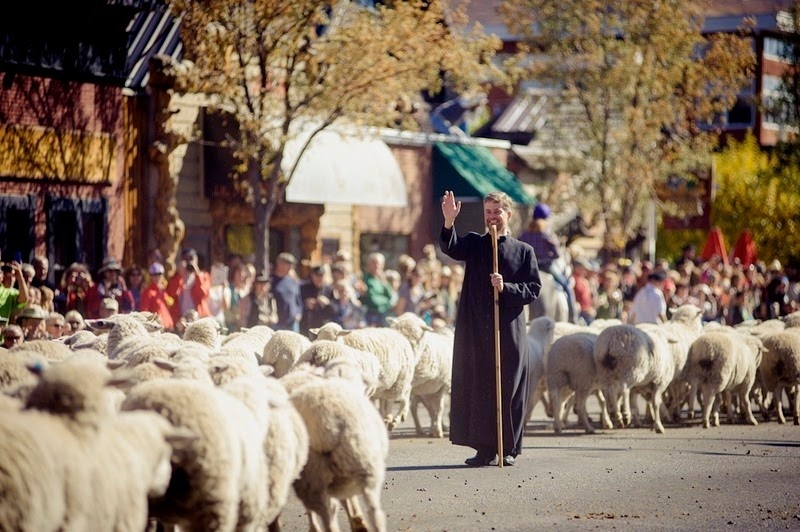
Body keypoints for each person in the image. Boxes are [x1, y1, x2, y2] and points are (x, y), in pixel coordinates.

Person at [440, 190, 542, 467]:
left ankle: (507, 448)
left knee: (508, 387)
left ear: (508, 214)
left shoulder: (523, 251)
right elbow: (451, 248)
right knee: (481, 387)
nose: (492, 217)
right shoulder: (474, 244)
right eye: (488, 212)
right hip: (477, 330)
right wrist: (449, 221)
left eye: (497, 212)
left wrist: (505, 287)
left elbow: (533, 289)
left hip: (508, 330)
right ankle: (484, 449)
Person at [518, 203, 576, 322]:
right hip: (546, 266)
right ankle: (573, 318)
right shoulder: (546, 234)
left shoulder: (524, 234)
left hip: (528, 268)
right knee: (567, 286)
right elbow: (557, 253)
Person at [166, 248, 212, 326]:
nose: (189, 261)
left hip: (198, 317)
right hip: (180, 320)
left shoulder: (204, 276)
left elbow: (203, 295)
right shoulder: (175, 278)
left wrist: (197, 274)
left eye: (191, 258)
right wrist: (179, 275)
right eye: (186, 259)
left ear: (196, 260)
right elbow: (170, 295)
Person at [299, 264, 336, 336]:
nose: (319, 278)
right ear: (312, 275)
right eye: (317, 275)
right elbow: (296, 304)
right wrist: (305, 303)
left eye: (321, 275)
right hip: (307, 325)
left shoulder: (329, 289)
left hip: (323, 326)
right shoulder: (303, 288)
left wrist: (327, 303)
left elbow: (335, 309)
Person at [269, 252, 303, 332]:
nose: (291, 267)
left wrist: (298, 313)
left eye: (291, 265)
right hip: (277, 323)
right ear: (279, 264)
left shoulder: (293, 281)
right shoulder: (271, 281)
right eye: (288, 264)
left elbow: (298, 300)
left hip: (293, 323)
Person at [360, 252, 395, 327]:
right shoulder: (366, 279)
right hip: (372, 315)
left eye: (379, 264)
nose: (377, 266)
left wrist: (384, 282)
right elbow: (373, 299)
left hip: (384, 314)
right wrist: (386, 302)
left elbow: (390, 295)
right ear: (369, 264)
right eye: (374, 263)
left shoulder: (382, 279)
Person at [140, 262, 175, 331]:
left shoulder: (163, 290)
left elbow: (170, 305)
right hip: (158, 328)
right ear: (150, 276)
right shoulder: (147, 292)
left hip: (169, 327)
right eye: (154, 274)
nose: (157, 277)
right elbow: (144, 312)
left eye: (159, 274)